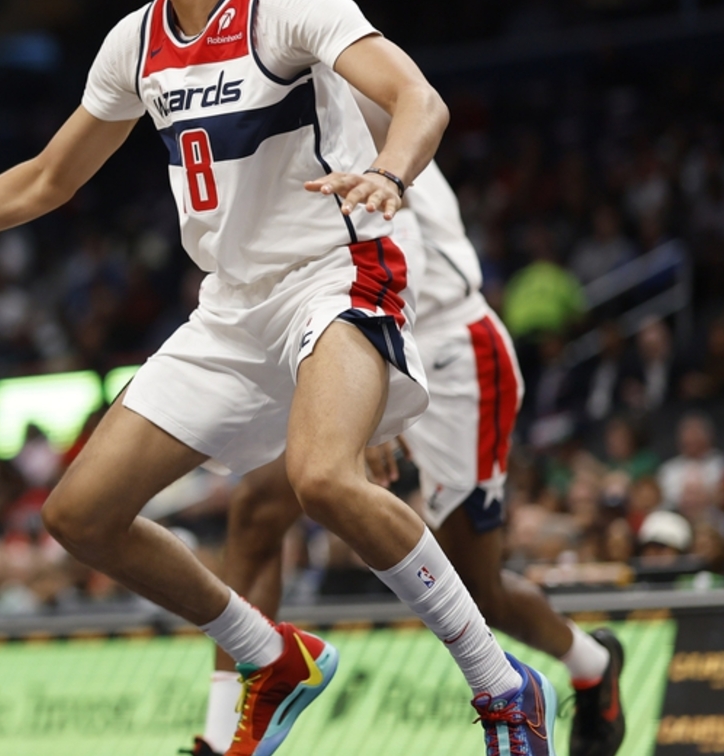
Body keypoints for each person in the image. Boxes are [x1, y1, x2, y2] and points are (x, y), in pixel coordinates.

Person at [0, 0, 554, 752]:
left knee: (323, 479)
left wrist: (387, 172)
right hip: (231, 307)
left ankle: (502, 685)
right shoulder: (134, 42)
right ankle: (271, 655)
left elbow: (419, 98)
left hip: (334, 273)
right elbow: (45, 179)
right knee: (80, 515)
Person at [186, 153, 625, 756]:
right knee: (258, 508)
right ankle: (221, 733)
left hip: (442, 344)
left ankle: (593, 663)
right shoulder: (277, 104)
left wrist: (378, 388)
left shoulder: (361, 90)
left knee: (478, 586)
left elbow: (395, 241)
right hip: (335, 325)